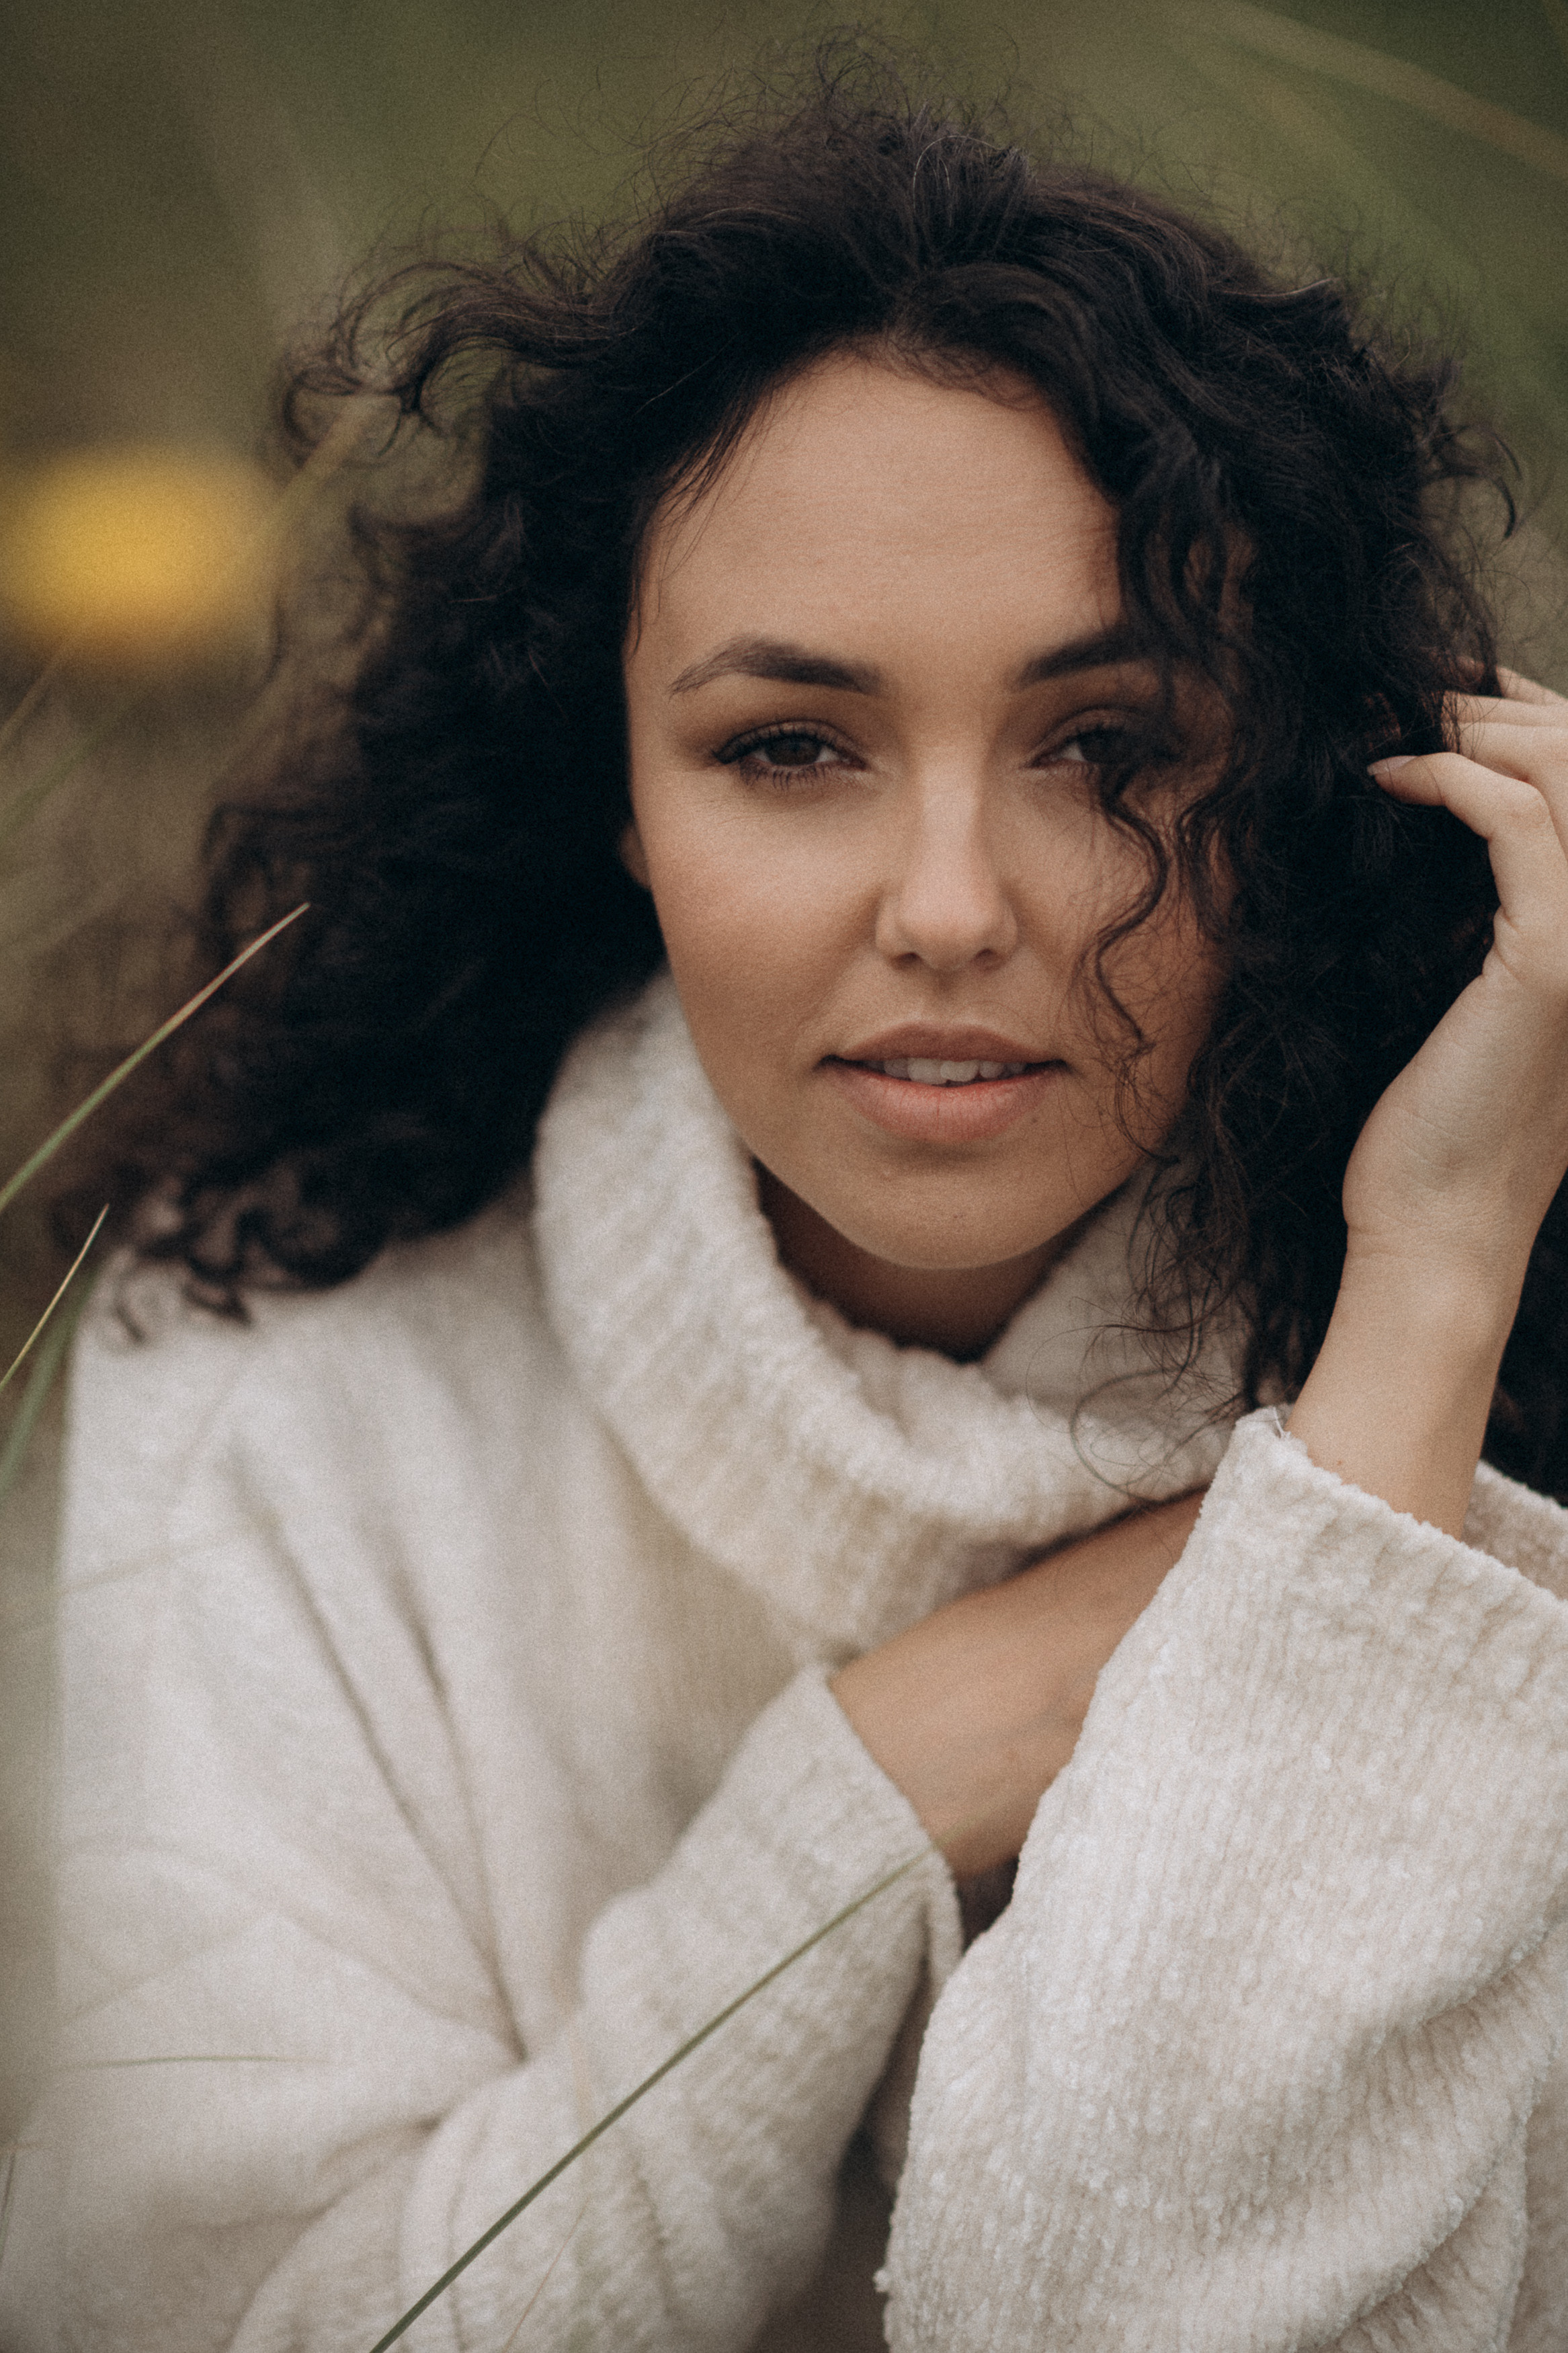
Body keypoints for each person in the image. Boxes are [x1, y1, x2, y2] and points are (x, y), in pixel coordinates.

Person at [5, 58, 1568, 2353]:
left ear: (1316, 793)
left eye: (1110, 747)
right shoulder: (277, 1348)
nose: (949, 908)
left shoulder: (1490, 1400)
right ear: (617, 793)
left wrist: (1416, 1335)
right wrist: (861, 1805)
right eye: (790, 746)